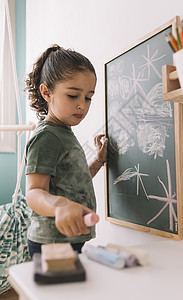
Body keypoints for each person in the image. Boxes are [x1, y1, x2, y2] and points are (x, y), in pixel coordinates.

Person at [25, 44, 108, 259]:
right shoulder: (47, 137)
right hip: (51, 242)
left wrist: (98, 161)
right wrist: (61, 206)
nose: (82, 105)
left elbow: (73, 183)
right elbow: (34, 192)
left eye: (88, 97)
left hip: (71, 237)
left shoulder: (63, 134)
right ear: (47, 92)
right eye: (73, 95)